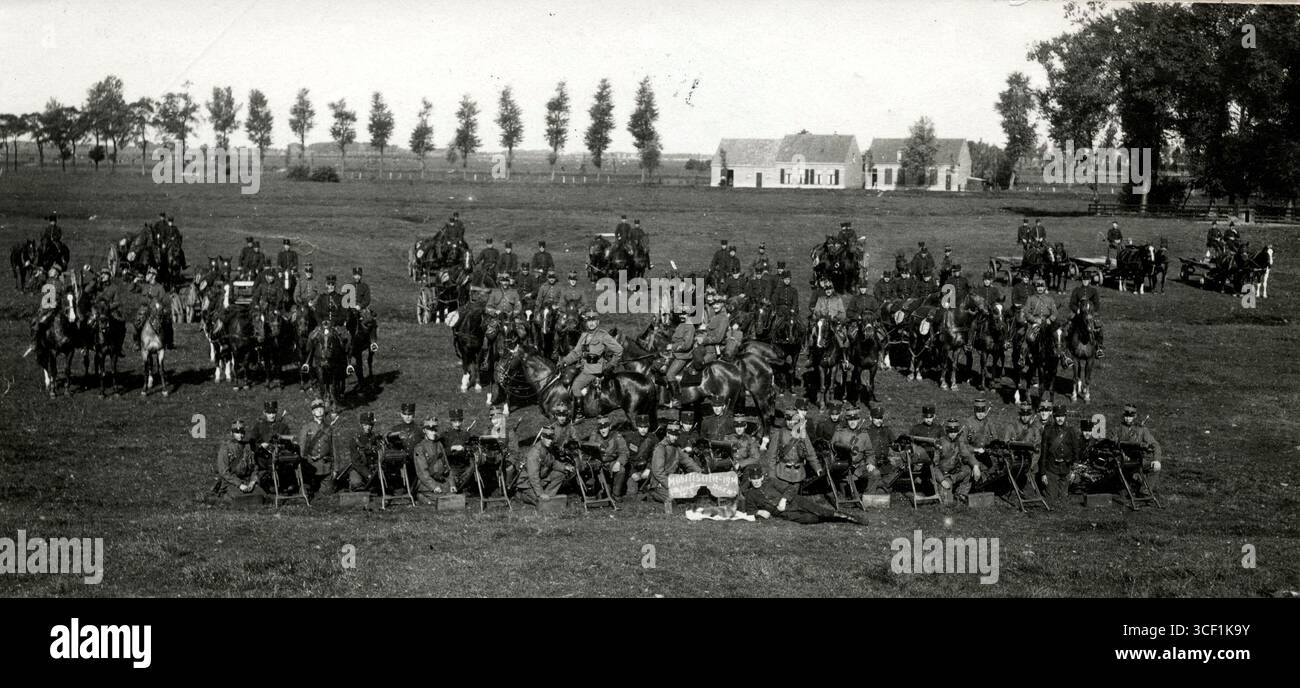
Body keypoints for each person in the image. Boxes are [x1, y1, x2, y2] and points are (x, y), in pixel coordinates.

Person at [739, 463, 868, 524]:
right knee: (809, 519)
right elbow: (750, 510)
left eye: (758, 478)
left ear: (762, 477)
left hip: (795, 500)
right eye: (753, 479)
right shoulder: (750, 494)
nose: (756, 482)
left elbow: (790, 488)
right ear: (750, 480)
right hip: (784, 513)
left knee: (820, 509)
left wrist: (783, 499)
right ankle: (830, 519)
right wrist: (759, 512)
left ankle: (851, 518)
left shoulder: (772, 482)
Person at [558, 310, 623, 400]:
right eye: (589, 321)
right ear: (586, 323)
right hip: (582, 367)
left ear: (598, 322)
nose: (591, 323)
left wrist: (611, 365)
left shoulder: (603, 335)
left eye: (593, 320)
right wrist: (564, 361)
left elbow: (619, 349)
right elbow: (576, 353)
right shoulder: (584, 335)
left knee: (576, 387)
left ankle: (579, 413)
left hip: (594, 369)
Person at [765, 409, 821, 497]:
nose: (791, 423)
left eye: (793, 420)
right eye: (788, 420)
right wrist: (772, 475)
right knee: (783, 498)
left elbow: (810, 453)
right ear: (785, 420)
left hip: (798, 474)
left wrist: (817, 468)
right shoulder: (779, 434)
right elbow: (771, 456)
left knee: (793, 497)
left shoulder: (803, 434)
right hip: (781, 473)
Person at [1111, 404, 1163, 496]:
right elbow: (1112, 444)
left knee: (1155, 467)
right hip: (1123, 462)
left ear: (1134, 417)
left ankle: (1145, 491)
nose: (1128, 419)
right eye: (1126, 416)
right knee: (1123, 493)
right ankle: (1133, 482)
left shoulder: (1142, 430)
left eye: (1130, 416)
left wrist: (1157, 460)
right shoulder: (1118, 429)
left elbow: (1155, 445)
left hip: (1138, 461)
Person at [647, 421, 703, 503]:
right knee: (672, 499)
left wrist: (699, 471)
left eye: (676, 435)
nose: (674, 437)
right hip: (660, 482)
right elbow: (658, 472)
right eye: (672, 435)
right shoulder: (661, 448)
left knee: (690, 495)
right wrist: (669, 485)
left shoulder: (676, 448)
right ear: (667, 434)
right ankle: (653, 493)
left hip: (672, 479)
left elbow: (687, 461)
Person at [516, 425, 572, 506]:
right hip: (527, 483)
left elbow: (552, 462)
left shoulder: (548, 448)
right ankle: (521, 495)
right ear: (542, 437)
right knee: (538, 500)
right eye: (547, 438)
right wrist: (540, 493)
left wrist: (564, 467)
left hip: (541, 477)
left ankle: (548, 496)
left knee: (560, 474)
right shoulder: (534, 454)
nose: (550, 440)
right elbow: (533, 476)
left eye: (551, 438)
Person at [1039, 405, 1082, 505]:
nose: (1060, 419)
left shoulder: (1070, 431)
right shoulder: (1048, 431)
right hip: (1052, 470)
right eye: (1057, 416)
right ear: (1054, 417)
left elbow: (1076, 453)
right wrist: (1043, 473)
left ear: (1065, 416)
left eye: (1062, 416)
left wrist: (1074, 472)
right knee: (1051, 500)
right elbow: (1044, 453)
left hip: (1065, 469)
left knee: (1063, 500)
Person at [932, 419, 980, 505]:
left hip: (954, 473)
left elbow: (967, 455)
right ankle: (944, 491)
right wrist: (942, 480)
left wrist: (976, 466)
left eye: (955, 431)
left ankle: (961, 494)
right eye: (951, 431)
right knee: (947, 503)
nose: (953, 434)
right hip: (943, 475)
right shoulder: (939, 443)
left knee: (968, 470)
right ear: (946, 431)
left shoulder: (959, 442)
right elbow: (934, 466)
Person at [298, 398, 339, 497]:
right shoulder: (306, 428)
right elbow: (301, 450)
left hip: (325, 467)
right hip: (310, 467)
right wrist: (301, 468)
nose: (320, 411)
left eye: (321, 408)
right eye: (316, 409)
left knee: (328, 493)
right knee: (305, 492)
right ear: (313, 412)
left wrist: (335, 469)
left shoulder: (329, 429)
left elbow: (334, 450)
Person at [618, 414, 660, 498]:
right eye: (641, 427)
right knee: (631, 493)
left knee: (653, 490)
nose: (643, 429)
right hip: (633, 469)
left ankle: (647, 486)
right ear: (637, 426)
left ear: (648, 427)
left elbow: (655, 457)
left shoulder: (653, 439)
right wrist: (632, 473)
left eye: (645, 427)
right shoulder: (630, 438)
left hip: (647, 469)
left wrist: (649, 469)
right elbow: (626, 457)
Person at [213, 420, 259, 496]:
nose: (240, 435)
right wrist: (239, 484)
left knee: (261, 496)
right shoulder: (226, 447)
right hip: (230, 482)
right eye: (237, 432)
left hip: (246, 481)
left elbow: (254, 467)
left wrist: (252, 481)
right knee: (240, 499)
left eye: (241, 432)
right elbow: (224, 472)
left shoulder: (247, 446)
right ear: (232, 433)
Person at [412, 418, 454, 502]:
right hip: (426, 484)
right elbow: (422, 472)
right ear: (424, 431)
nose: (433, 433)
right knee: (443, 498)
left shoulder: (439, 445)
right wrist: (434, 486)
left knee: (452, 496)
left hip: (441, 481)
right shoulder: (420, 448)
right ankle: (420, 495)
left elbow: (447, 466)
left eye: (434, 430)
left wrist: (452, 484)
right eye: (430, 430)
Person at [864, 406, 901, 493]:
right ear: (871, 418)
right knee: (875, 477)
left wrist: (898, 445)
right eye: (876, 418)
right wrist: (868, 462)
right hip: (871, 463)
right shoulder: (866, 432)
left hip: (885, 463)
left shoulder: (887, 430)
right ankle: (877, 488)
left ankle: (881, 487)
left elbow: (895, 445)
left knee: (898, 472)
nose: (879, 420)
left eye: (880, 418)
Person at [1068, 272, 1105, 356]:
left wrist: (1092, 313)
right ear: (1081, 280)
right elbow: (1072, 303)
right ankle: (1069, 346)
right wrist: (1076, 309)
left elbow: (1097, 304)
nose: (1085, 281)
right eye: (1084, 279)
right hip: (1078, 314)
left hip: (1090, 314)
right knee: (1069, 327)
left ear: (1090, 280)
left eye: (1087, 279)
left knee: (1099, 327)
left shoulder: (1093, 291)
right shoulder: (1077, 290)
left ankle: (1099, 347)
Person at [692, 298, 729, 369]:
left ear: (722, 304)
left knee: (698, 362)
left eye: (717, 304)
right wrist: (705, 328)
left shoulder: (723, 318)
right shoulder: (716, 316)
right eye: (713, 304)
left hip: (713, 350)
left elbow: (718, 338)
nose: (714, 306)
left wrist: (703, 340)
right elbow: (711, 331)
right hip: (707, 346)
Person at [1019, 278, 1059, 345]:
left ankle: (1059, 352)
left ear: (1044, 288)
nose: (1040, 289)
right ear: (1035, 288)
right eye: (1038, 287)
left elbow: (1055, 312)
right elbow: (1026, 312)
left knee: (1056, 337)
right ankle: (1028, 352)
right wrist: (1034, 319)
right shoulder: (1031, 299)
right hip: (1035, 323)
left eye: (1042, 287)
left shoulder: (1050, 299)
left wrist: (1050, 319)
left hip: (1047, 323)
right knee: (1030, 338)